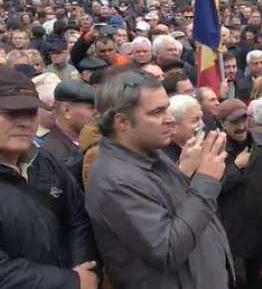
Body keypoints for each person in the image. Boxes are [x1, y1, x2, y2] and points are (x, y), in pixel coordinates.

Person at [85, 71, 235, 288]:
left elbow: (169, 207)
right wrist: (205, 180)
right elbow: (168, 249)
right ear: (122, 122)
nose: (170, 119)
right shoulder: (115, 180)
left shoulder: (150, 154)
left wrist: (184, 173)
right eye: (157, 112)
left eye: (166, 108)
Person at [0, 65, 100, 289]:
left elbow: (78, 218)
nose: (24, 122)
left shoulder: (45, 162)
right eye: (10, 113)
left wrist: (81, 268)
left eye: (30, 112)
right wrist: (69, 281)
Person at [217, 99, 262, 289]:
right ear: (222, 123)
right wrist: (236, 167)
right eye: (234, 122)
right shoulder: (214, 149)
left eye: (243, 120)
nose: (240, 126)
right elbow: (211, 187)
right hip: (231, 233)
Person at [41, 80, 97, 186]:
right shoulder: (55, 156)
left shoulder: (86, 143)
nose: (96, 113)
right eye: (90, 108)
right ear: (66, 110)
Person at [162, 94, 204, 165]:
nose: (202, 124)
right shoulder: (163, 159)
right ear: (173, 126)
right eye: (195, 120)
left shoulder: (201, 148)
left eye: (201, 118)